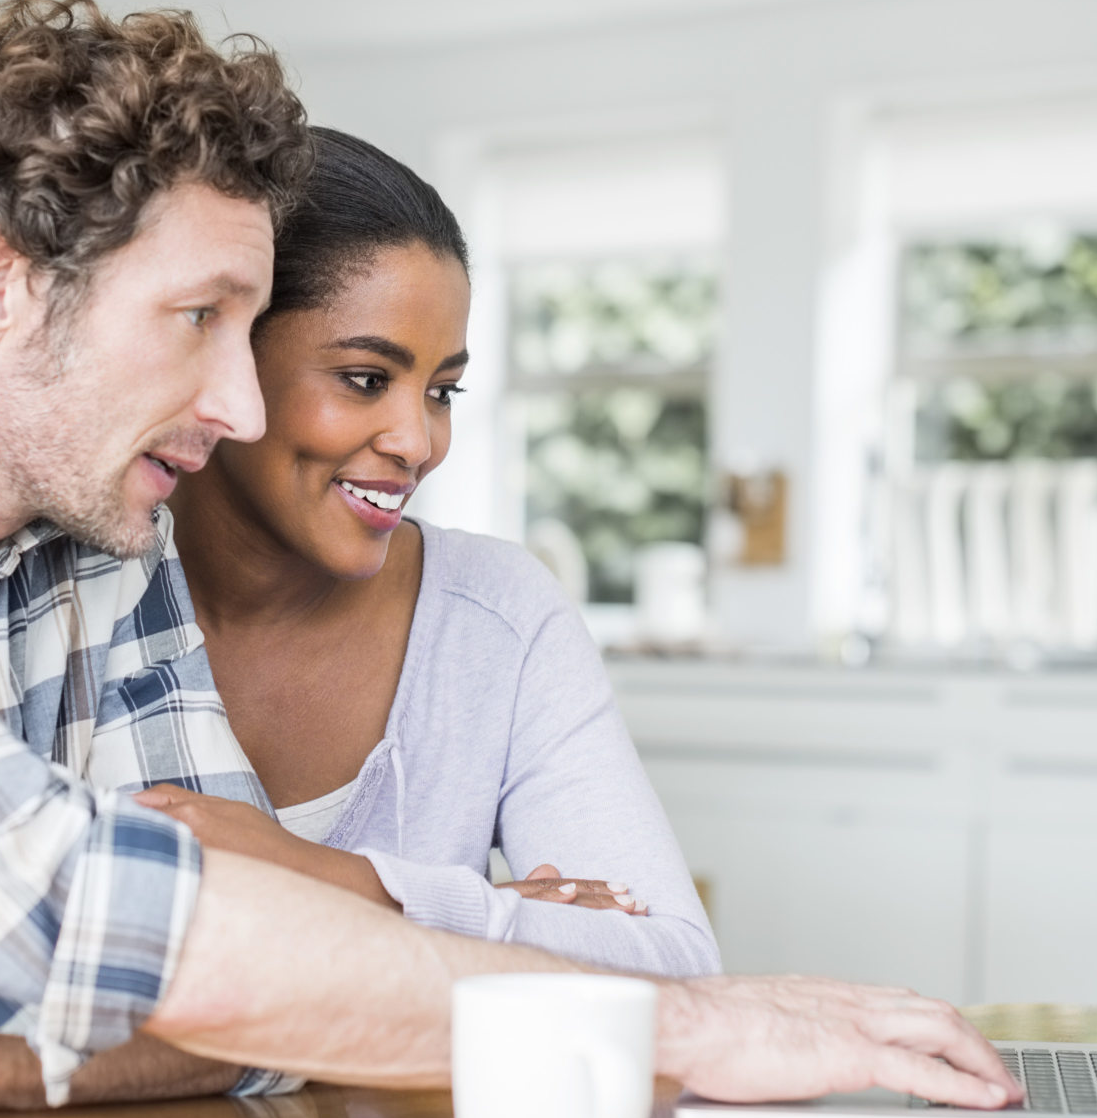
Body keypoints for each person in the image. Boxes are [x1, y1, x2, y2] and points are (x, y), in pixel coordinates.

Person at [0, 0, 1019, 1118]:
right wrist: (692, 1028)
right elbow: (98, 927)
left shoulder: (87, 544)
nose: (241, 409)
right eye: (198, 322)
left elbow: (255, 996)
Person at [130, 130, 717, 976]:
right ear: (227, 353)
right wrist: (493, 922)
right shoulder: (77, 590)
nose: (419, 441)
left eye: (442, 391)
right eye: (366, 379)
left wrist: (336, 880)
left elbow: (674, 965)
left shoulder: (498, 617)